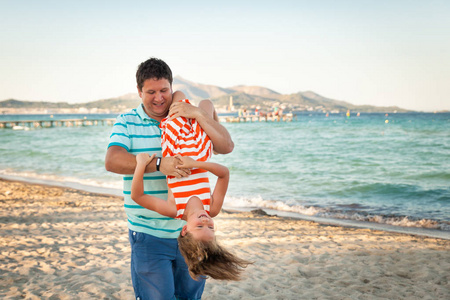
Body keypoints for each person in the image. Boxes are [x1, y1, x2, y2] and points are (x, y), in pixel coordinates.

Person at [105, 57, 234, 300]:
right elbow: (112, 160)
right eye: (150, 92)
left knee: (189, 297)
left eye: (164, 90)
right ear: (139, 91)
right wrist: (156, 164)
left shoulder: (186, 117)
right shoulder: (127, 122)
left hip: (193, 241)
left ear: (171, 87)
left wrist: (198, 113)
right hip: (148, 234)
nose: (159, 97)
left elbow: (226, 147)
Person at [131, 92, 250, 281]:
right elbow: (224, 173)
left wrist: (140, 165)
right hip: (200, 151)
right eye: (211, 228)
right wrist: (196, 163)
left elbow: (138, 196)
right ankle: (215, 145)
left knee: (178, 96)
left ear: (185, 230)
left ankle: (216, 144)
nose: (206, 221)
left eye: (200, 226)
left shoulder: (174, 209)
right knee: (206, 103)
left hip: (175, 145)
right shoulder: (212, 208)